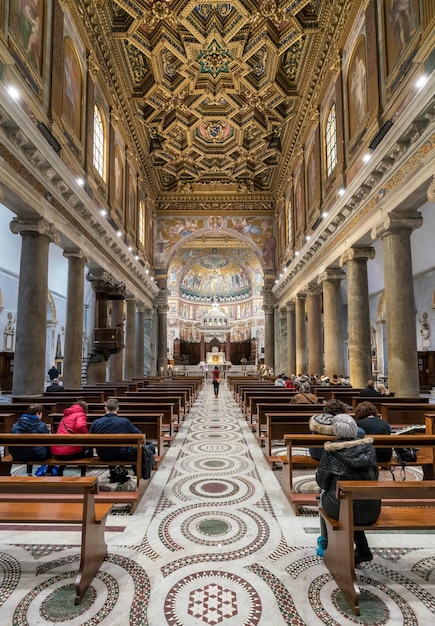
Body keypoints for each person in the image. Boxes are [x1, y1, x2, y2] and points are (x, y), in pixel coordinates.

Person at [315, 413, 381, 565]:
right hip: (371, 509)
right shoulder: (368, 449)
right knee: (354, 501)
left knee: (325, 496)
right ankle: (363, 548)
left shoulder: (331, 452)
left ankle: (327, 544)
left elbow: (322, 483)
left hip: (341, 509)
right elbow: (375, 476)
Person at [89, 398, 155, 479]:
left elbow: (89, 440)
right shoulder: (124, 421)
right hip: (120, 454)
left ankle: (116, 471)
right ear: (117, 409)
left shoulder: (96, 422)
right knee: (144, 449)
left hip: (103, 455)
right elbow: (139, 435)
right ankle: (140, 475)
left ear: (105, 408)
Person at [51, 401, 91, 472]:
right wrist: (86, 435)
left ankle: (60, 471)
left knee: (66, 447)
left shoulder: (66, 416)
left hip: (57, 451)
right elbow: (80, 426)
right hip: (70, 453)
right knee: (86, 450)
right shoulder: (80, 414)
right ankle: (83, 474)